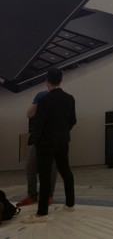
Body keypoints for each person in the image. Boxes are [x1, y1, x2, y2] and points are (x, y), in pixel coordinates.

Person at [22, 68, 77, 223]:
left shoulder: (44, 100)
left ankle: (42, 213)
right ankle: (70, 204)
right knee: (66, 171)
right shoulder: (69, 98)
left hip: (45, 143)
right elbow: (73, 120)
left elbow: (38, 124)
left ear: (47, 80)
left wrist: (34, 140)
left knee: (44, 176)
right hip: (63, 141)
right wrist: (63, 132)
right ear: (61, 80)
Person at [17, 90, 58, 207]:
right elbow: (29, 114)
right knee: (30, 166)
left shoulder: (59, 97)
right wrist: (39, 104)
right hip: (37, 137)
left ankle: (49, 194)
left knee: (52, 167)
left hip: (52, 137)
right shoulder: (41, 95)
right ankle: (32, 194)